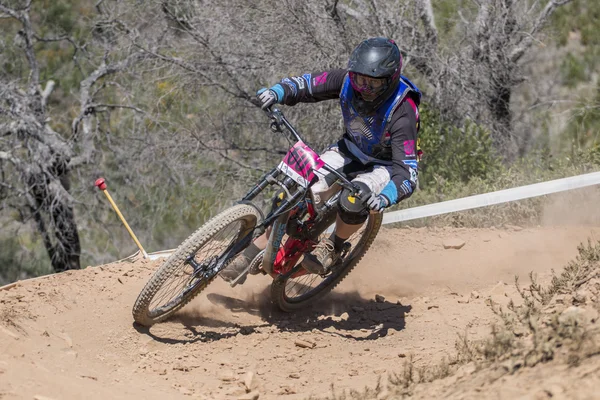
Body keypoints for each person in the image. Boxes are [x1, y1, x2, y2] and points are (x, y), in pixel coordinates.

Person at [220, 37, 421, 285]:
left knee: (353, 200)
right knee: (297, 188)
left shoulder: (403, 111)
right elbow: (308, 84)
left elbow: (408, 171)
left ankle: (334, 246)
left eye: (373, 83)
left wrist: (385, 196)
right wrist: (277, 92)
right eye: (360, 79)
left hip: (384, 167)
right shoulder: (346, 80)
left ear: (390, 80)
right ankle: (256, 249)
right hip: (349, 150)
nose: (363, 88)